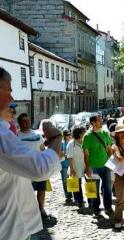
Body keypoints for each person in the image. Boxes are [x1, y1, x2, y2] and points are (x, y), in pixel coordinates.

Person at [0, 67, 62, 240]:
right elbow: (41, 169)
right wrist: (56, 137)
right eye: (9, 90)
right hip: (9, 230)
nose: (12, 99)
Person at [17, 113, 48, 217]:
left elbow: (42, 148)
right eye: (24, 121)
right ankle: (28, 211)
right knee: (27, 191)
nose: (26, 123)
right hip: (25, 169)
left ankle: (41, 209)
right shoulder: (16, 136)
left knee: (41, 189)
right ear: (19, 123)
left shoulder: (37, 134)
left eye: (28, 120)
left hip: (38, 167)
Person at [82, 114, 114, 216]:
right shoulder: (87, 136)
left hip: (106, 166)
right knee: (94, 189)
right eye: (99, 120)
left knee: (108, 188)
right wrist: (87, 168)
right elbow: (86, 155)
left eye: (101, 120)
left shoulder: (105, 133)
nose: (101, 122)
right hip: (94, 166)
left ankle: (108, 207)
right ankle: (96, 208)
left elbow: (109, 149)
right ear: (93, 123)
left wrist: (112, 163)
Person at [66, 126, 87, 208]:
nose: (85, 133)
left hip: (86, 166)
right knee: (77, 185)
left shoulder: (86, 141)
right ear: (79, 134)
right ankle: (80, 201)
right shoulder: (71, 144)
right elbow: (69, 157)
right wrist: (71, 169)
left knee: (90, 183)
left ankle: (91, 200)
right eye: (83, 132)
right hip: (75, 167)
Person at [60, 130, 73, 204]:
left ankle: (74, 194)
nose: (69, 136)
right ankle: (68, 196)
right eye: (67, 135)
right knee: (65, 181)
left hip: (72, 164)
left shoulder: (72, 142)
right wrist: (66, 154)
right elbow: (60, 153)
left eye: (70, 135)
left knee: (72, 180)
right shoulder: (62, 143)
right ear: (64, 136)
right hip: (64, 165)